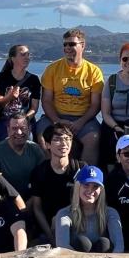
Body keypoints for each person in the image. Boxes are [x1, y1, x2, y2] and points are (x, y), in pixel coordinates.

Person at [37, 28, 104, 165]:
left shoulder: (94, 72)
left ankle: (85, 179)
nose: (67, 48)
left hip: (83, 118)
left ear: (82, 45)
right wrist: (57, 121)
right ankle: (51, 172)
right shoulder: (52, 69)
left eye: (72, 44)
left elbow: (95, 104)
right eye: (65, 45)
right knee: (41, 137)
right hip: (56, 115)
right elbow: (47, 101)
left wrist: (81, 122)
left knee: (93, 138)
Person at [29, 123, 84, 246]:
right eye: (57, 139)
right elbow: (37, 208)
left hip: (76, 227)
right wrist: (50, 235)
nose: (64, 144)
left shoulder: (81, 168)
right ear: (47, 144)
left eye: (67, 139)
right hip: (48, 230)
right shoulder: (40, 172)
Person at [55, 166, 124, 253]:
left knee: (104, 243)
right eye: (86, 185)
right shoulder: (65, 214)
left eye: (95, 186)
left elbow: (119, 247)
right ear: (78, 186)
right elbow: (63, 247)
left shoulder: (110, 213)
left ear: (101, 190)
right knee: (82, 243)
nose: (90, 190)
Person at [0, 114, 45, 200]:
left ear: (29, 129)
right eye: (14, 128)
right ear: (8, 129)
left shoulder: (35, 149)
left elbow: (42, 179)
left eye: (23, 128)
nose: (19, 132)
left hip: (33, 199)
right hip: (7, 201)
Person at [0, 45, 41, 142]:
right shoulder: (2, 77)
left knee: (29, 140)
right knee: (5, 140)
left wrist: (25, 120)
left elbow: (34, 108)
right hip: (5, 120)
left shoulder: (33, 79)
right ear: (13, 58)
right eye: (23, 55)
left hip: (26, 120)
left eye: (28, 55)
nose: (27, 58)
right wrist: (9, 97)